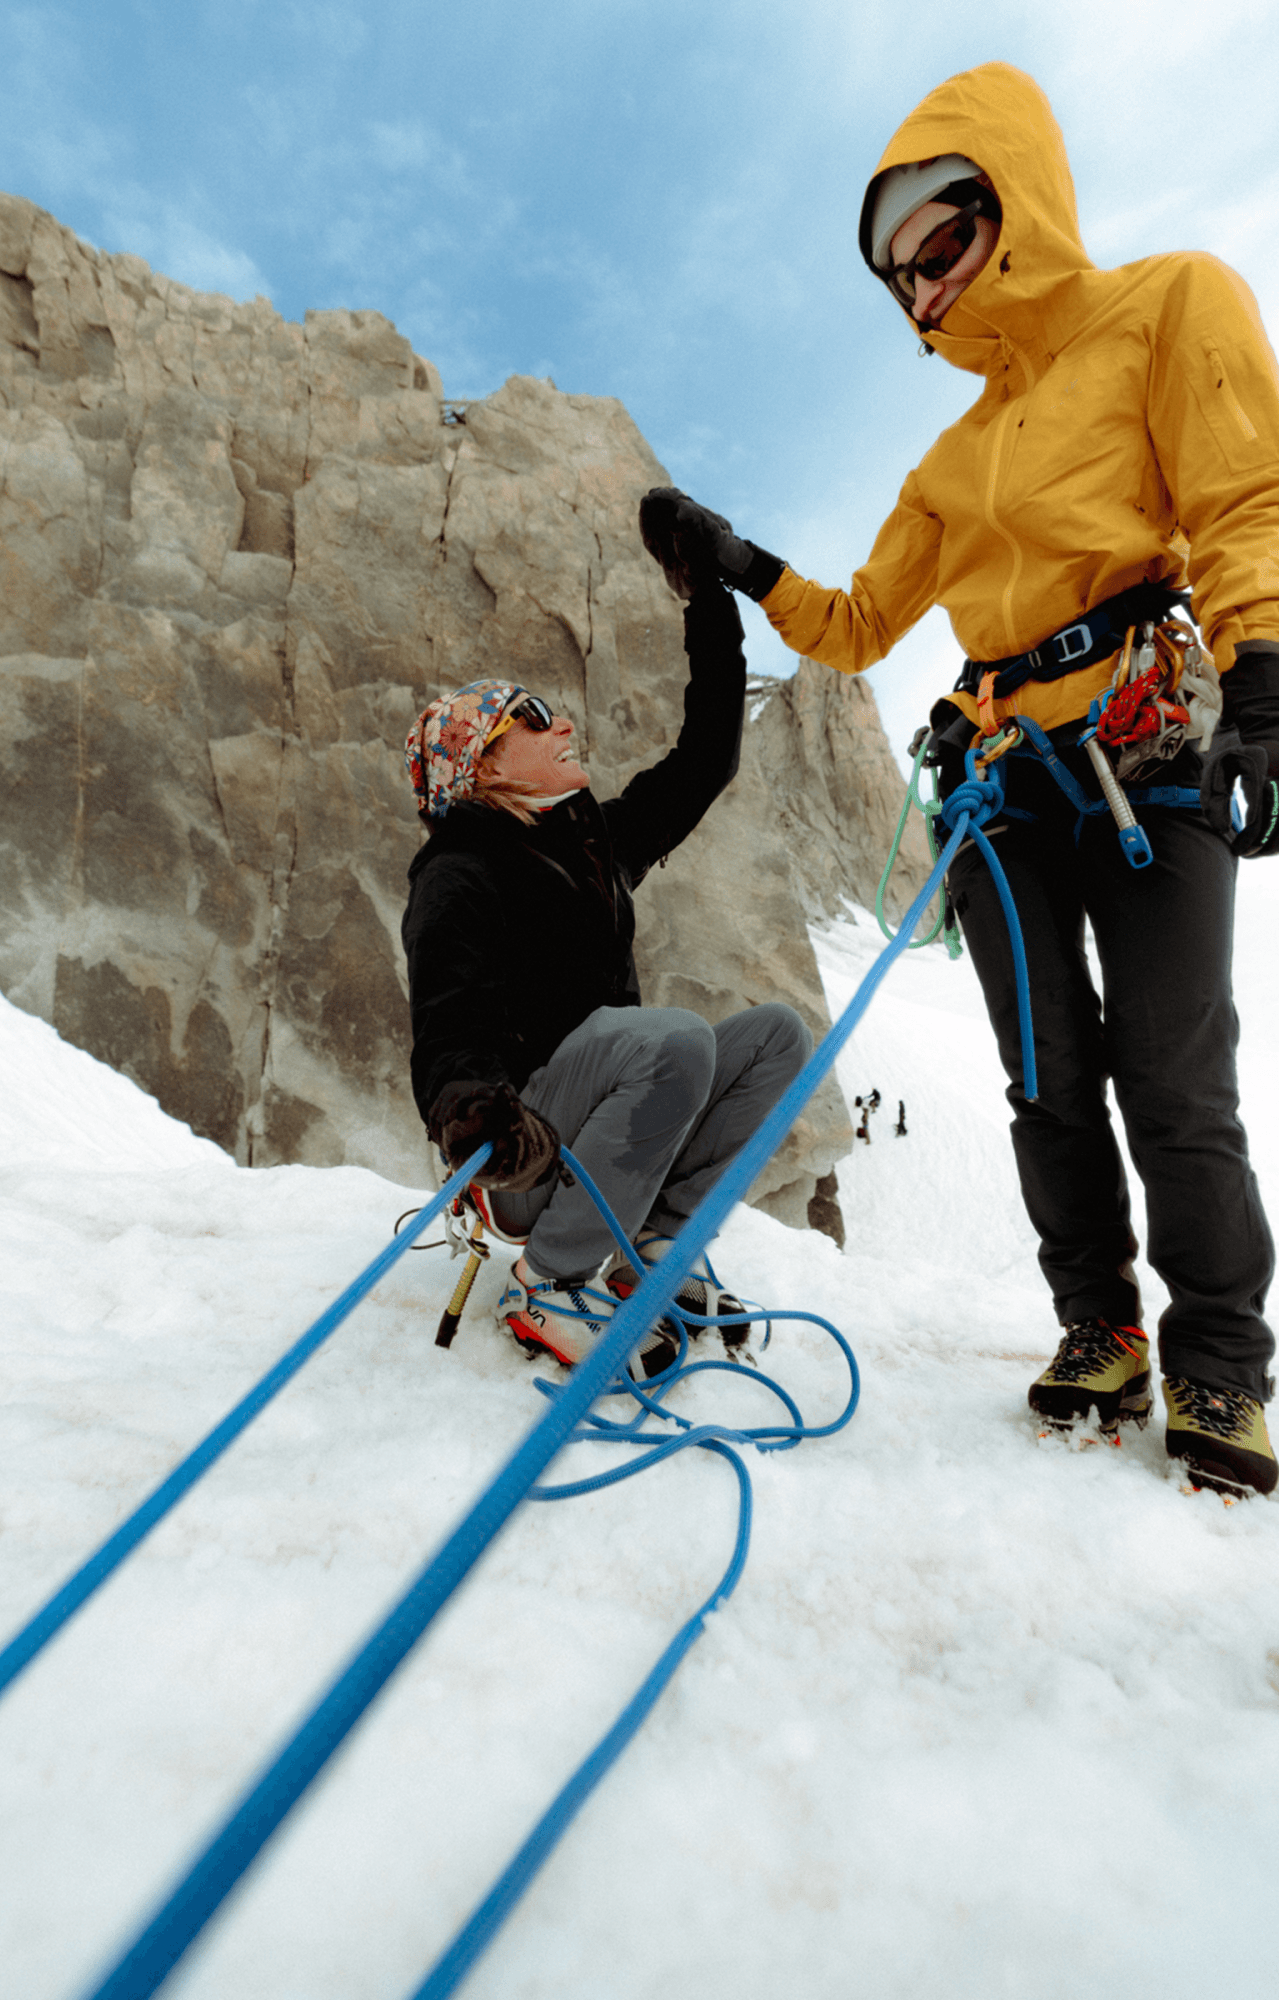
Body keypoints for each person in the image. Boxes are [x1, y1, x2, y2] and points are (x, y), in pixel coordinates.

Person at [638, 62, 1279, 1495]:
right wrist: (742, 565)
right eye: (896, 274)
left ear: (1014, 197)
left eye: (941, 236)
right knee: (1046, 1079)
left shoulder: (1167, 305)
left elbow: (1246, 496)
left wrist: (1265, 680)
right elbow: (860, 622)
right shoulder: (951, 456)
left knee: (1175, 1071)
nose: (922, 284)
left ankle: (1224, 1366)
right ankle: (1098, 1332)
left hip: (1146, 749)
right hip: (1003, 787)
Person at [401, 572, 812, 1378]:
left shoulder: (592, 848)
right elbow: (446, 1025)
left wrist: (709, 605)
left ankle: (649, 1252)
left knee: (776, 1041)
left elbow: (704, 762)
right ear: (479, 766)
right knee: (670, 1041)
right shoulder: (456, 872)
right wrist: (478, 1116)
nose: (562, 724)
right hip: (521, 1153)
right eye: (531, 719)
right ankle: (546, 1282)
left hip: (599, 1122)